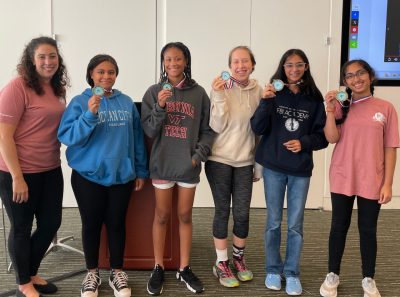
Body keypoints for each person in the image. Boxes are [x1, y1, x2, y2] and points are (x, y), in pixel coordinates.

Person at [58, 54, 148, 297]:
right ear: (91, 75)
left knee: (117, 224)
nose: (106, 76)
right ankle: (92, 273)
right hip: (88, 177)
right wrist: (89, 115)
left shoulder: (126, 102)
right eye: (100, 72)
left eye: (111, 72)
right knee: (91, 225)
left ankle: (117, 272)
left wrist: (140, 170)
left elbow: (137, 139)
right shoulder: (80, 102)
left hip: (122, 176)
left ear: (116, 75)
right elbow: (66, 137)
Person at [251, 49, 328, 296]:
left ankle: (292, 272)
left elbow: (322, 137)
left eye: (298, 65)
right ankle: (273, 269)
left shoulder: (314, 99)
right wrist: (266, 101)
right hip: (273, 167)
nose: (293, 69)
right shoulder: (274, 93)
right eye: (288, 65)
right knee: (273, 222)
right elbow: (257, 127)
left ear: (305, 67)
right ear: (282, 68)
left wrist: (303, 143)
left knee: (295, 224)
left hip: (300, 171)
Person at [319, 59, 399, 297]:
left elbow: (391, 147)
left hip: (372, 179)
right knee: (338, 227)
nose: (356, 79)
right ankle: (332, 274)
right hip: (343, 175)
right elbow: (332, 138)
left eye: (360, 73)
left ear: (370, 76)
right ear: (345, 82)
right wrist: (330, 110)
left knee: (368, 230)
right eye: (349, 76)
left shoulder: (386, 108)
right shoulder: (342, 106)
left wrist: (388, 183)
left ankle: (368, 278)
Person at [141, 42, 215, 295]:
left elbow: (208, 129)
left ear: (186, 61)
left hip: (188, 165)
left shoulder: (199, 93)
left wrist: (197, 156)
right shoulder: (153, 92)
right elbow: (149, 130)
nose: (173, 64)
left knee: (185, 216)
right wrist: (160, 107)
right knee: (161, 215)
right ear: (163, 63)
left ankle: (184, 267)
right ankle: (158, 266)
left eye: (178, 59)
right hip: (162, 164)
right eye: (168, 60)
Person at [0, 36, 69, 297]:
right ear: (31, 60)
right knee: (21, 226)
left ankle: (31, 271)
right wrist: (17, 177)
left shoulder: (56, 88)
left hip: (50, 167)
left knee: (51, 223)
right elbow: (4, 136)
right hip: (17, 171)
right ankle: (23, 283)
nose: (48, 61)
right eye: (42, 56)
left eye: (52, 56)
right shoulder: (16, 88)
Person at [205, 46, 262, 288]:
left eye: (245, 61)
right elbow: (216, 126)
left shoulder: (259, 90)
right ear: (230, 66)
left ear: (252, 64)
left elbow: (261, 130)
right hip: (219, 159)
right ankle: (221, 262)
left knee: (242, 213)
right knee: (222, 211)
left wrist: (257, 165)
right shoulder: (220, 87)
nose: (240, 66)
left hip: (245, 161)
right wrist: (218, 95)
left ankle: (239, 259)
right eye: (235, 62)